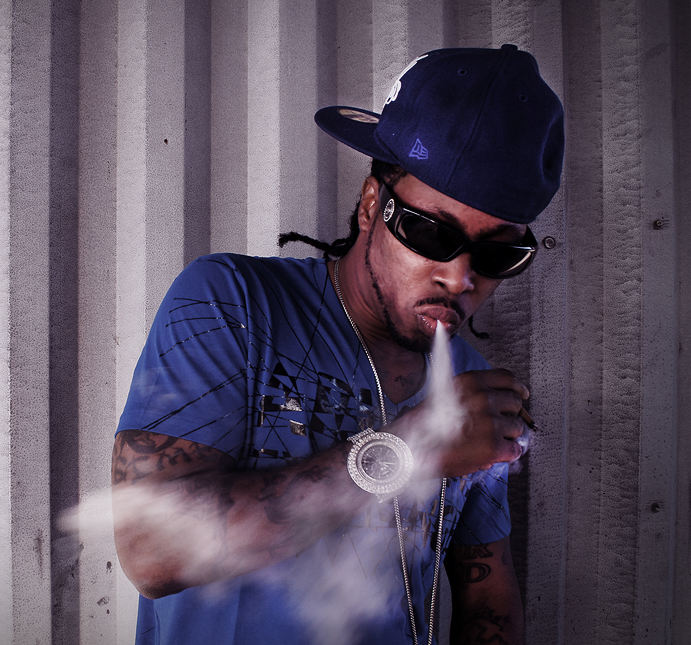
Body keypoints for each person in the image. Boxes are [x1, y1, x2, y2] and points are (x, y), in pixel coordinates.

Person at [111, 44, 564, 645]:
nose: (460, 278)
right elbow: (150, 553)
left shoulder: (471, 384)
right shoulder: (233, 302)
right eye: (431, 233)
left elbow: (488, 595)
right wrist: (412, 449)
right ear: (372, 204)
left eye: (499, 254)